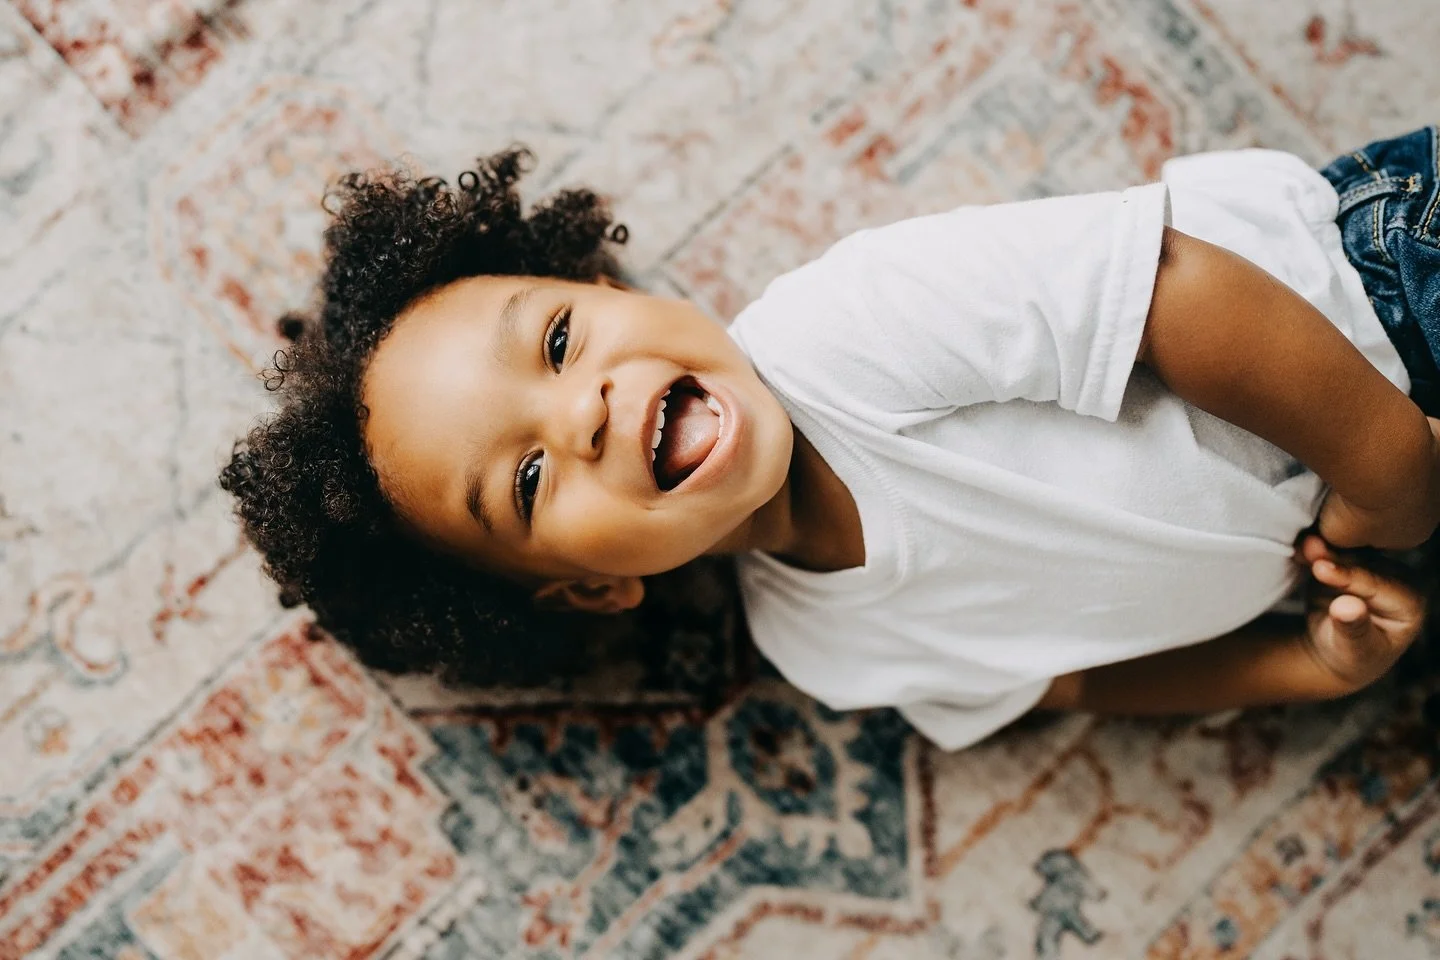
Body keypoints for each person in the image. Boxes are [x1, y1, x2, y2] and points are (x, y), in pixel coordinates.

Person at [221, 128, 1440, 750]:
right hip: (1364, 524)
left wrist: (1388, 470)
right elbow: (1067, 684)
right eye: (529, 477)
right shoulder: (827, 649)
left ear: (601, 286)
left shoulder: (847, 330)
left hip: (1374, 297)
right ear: (590, 586)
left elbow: (1177, 291)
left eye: (556, 340)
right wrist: (1309, 667)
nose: (582, 408)